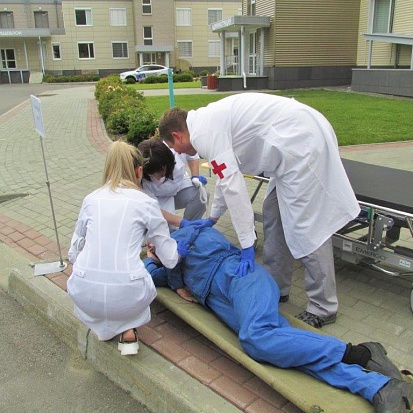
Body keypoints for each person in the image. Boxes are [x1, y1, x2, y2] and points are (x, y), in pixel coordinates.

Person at [144, 226, 413, 413]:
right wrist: (152, 259)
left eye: (154, 239)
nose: (152, 245)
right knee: (291, 352)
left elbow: (183, 242)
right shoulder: (167, 265)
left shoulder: (190, 234)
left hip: (242, 279)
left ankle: (360, 354)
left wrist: (168, 258)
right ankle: (379, 387)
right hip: (227, 304)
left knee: (256, 338)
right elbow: (147, 278)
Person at [158, 93, 360, 328]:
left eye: (175, 147)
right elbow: (225, 176)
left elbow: (234, 188)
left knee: (307, 229)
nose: (180, 153)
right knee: (273, 213)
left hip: (302, 143)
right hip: (289, 148)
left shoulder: (204, 132)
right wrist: (213, 217)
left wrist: (247, 243)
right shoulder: (204, 125)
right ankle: (275, 287)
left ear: (177, 135)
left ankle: (323, 307)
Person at [67, 141, 190, 356]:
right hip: (127, 297)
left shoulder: (90, 200)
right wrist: (180, 248)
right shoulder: (146, 203)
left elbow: (73, 253)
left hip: (84, 295)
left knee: (103, 291)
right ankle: (128, 328)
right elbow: (170, 259)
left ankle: (106, 326)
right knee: (137, 285)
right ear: (139, 171)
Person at [137, 139, 209, 229]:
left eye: (160, 172)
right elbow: (151, 208)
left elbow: (192, 156)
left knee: (201, 193)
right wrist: (180, 222)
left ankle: (190, 229)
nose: (157, 177)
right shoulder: (139, 179)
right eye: (152, 174)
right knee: (165, 228)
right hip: (158, 199)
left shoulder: (175, 149)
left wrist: (195, 176)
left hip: (179, 187)